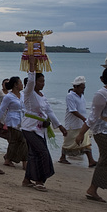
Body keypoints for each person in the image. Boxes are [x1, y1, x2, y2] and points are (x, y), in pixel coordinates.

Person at [21, 55, 68, 192]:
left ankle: (27, 179)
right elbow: (30, 80)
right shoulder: (28, 93)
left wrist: (60, 126)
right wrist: (31, 65)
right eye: (40, 81)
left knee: (34, 154)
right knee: (42, 153)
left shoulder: (42, 96)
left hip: (40, 129)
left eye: (44, 81)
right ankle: (39, 180)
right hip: (29, 127)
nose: (43, 83)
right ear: (35, 82)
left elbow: (50, 112)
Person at [75, 67, 107, 203]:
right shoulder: (101, 94)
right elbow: (93, 117)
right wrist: (81, 134)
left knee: (104, 161)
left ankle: (92, 189)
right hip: (103, 132)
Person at [59, 76, 97, 167]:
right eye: (81, 88)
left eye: (84, 88)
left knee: (86, 141)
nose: (83, 90)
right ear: (75, 87)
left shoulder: (82, 96)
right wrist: (84, 118)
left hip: (82, 124)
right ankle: (62, 157)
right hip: (72, 123)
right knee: (68, 141)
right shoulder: (70, 96)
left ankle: (91, 160)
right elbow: (73, 110)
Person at [0, 76, 28, 169]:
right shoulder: (8, 97)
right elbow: (2, 109)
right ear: (15, 85)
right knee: (21, 141)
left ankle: (8, 158)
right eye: (20, 82)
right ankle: (24, 163)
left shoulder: (22, 95)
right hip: (12, 120)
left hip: (22, 120)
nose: (22, 84)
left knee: (16, 141)